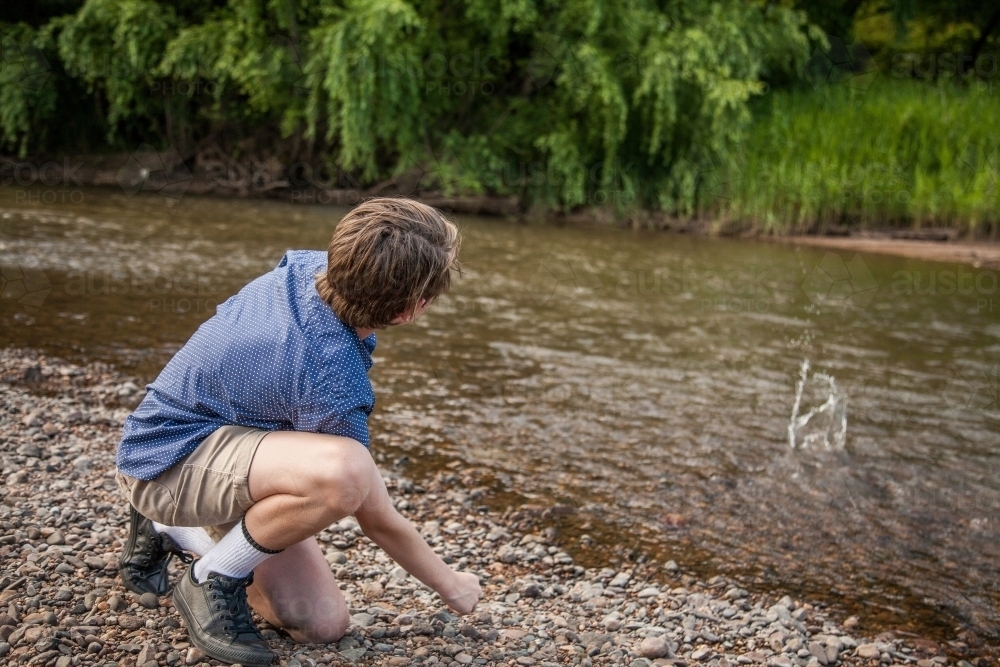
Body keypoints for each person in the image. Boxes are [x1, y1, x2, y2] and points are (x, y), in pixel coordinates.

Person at [113, 198, 482, 667]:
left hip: (227, 449)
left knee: (320, 622)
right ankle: (210, 575)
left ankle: (176, 533)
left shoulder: (309, 268)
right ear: (412, 310)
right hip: (166, 462)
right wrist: (451, 585)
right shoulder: (331, 375)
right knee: (345, 471)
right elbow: (373, 513)